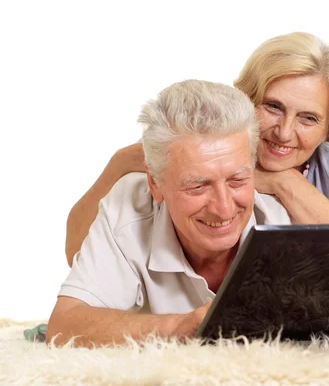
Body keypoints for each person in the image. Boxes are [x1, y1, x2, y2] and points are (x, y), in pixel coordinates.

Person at [64, 32, 329, 268]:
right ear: (247, 99)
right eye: (273, 107)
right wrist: (120, 163)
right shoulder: (203, 142)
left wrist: (286, 183)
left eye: (308, 118)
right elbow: (77, 254)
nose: (285, 132)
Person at [46, 80, 291, 347]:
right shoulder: (127, 208)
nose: (223, 208)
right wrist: (182, 325)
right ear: (155, 184)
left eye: (238, 180)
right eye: (197, 186)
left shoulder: (284, 213)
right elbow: (64, 325)